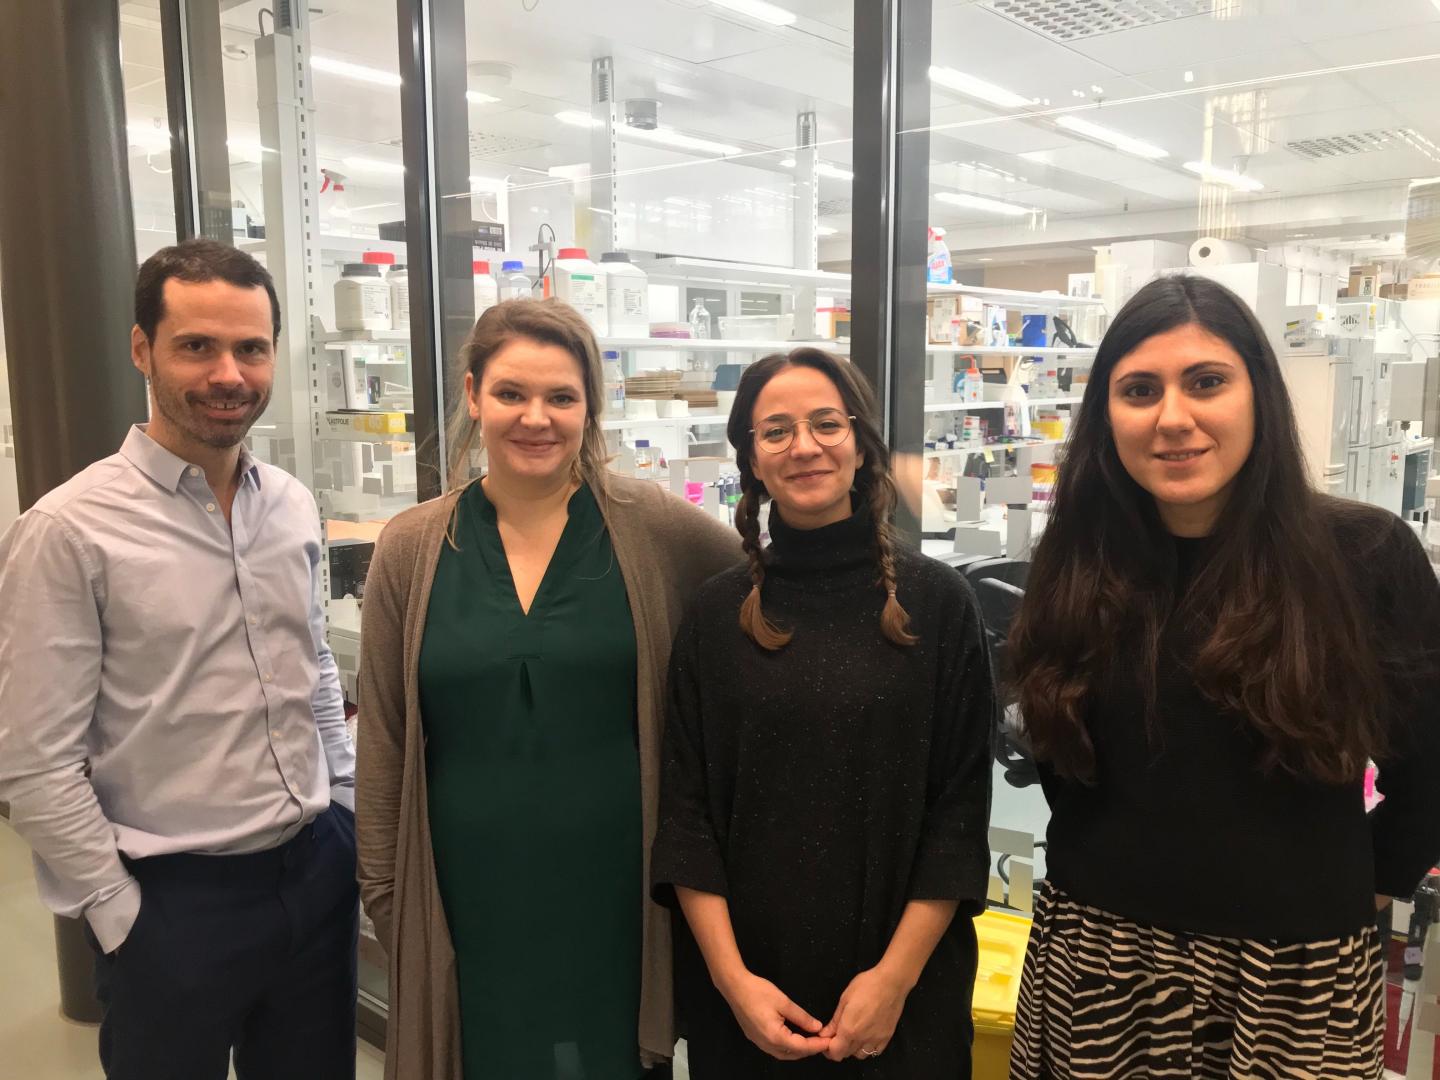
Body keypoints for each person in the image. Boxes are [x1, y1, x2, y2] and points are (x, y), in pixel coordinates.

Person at [1007, 274, 1440, 1079]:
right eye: (1140, 390)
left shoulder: (1365, 558)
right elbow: (1065, 762)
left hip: (1293, 982)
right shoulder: (1075, 565)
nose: (1173, 417)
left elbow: (1428, 769)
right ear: (1106, 415)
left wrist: (1362, 887)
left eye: (1206, 382)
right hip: (1097, 965)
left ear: (1258, 395)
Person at [0, 238, 359, 1080]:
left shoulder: (291, 506)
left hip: (314, 874)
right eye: (197, 346)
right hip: (171, 905)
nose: (228, 373)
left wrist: (342, 803)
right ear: (143, 349)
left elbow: (313, 667)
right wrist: (117, 912)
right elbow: (33, 760)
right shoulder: (68, 531)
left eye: (251, 348)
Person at [355, 297, 739, 1080]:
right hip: (462, 892)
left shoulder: (651, 527)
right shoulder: (413, 547)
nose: (536, 418)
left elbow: (771, 583)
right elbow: (385, 735)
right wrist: (386, 892)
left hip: (615, 894)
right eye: (511, 393)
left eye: (561, 396)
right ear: (473, 396)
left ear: (590, 406)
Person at [651, 347, 997, 1078]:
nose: (804, 446)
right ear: (751, 459)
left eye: (826, 424)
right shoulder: (715, 615)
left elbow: (959, 818)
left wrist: (893, 981)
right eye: (776, 431)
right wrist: (732, 983)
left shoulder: (939, 604)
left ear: (860, 442)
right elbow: (686, 819)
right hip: (748, 998)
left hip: (905, 997)